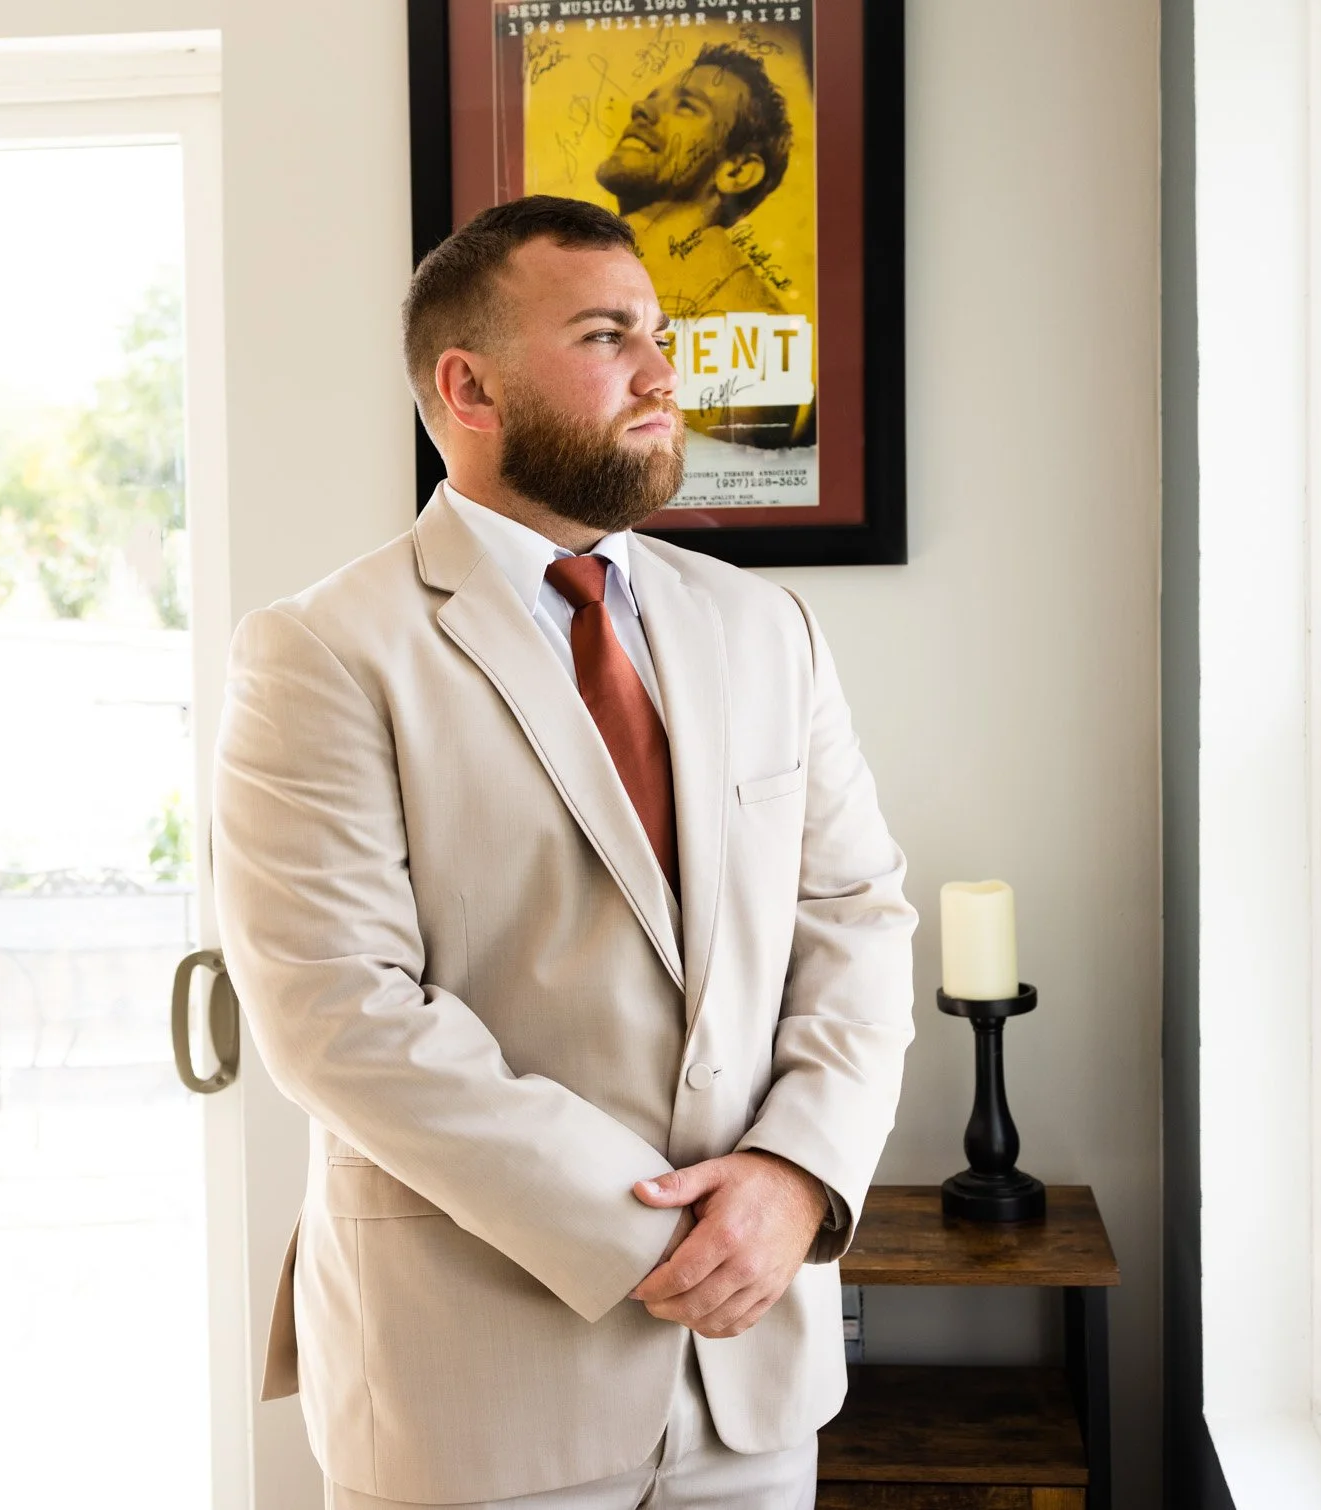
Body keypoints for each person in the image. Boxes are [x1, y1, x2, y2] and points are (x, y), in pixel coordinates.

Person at [212, 194, 915, 1510]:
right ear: (468, 386)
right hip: (473, 1393)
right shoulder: (321, 652)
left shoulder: (770, 628)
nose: (662, 373)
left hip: (754, 1379)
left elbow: (857, 917)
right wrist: (672, 1232)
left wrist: (795, 1178)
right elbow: (338, 1015)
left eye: (660, 331)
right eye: (607, 335)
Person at [595, 43, 794, 320]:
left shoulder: (749, 321)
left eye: (686, 106)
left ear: (736, 171)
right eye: (653, 98)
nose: (642, 107)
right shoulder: (597, 281)